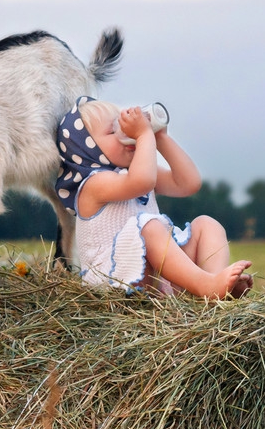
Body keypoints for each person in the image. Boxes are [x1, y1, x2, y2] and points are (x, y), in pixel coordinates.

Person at [56, 96, 252, 299]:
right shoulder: (93, 184)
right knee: (148, 227)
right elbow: (142, 181)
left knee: (206, 225)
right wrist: (143, 135)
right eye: (113, 130)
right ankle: (205, 286)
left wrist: (161, 139)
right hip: (114, 283)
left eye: (122, 125)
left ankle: (213, 285)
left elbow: (188, 183)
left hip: (155, 278)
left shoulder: (136, 171)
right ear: (87, 150)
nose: (125, 133)